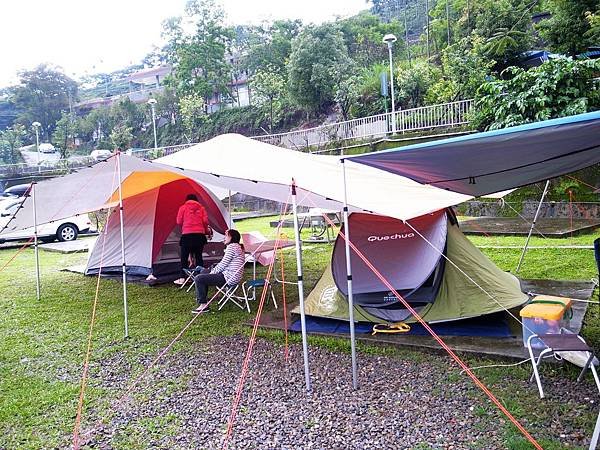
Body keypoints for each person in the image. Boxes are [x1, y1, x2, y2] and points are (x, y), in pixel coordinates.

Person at [192, 229, 245, 313]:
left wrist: (212, 272)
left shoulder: (232, 247)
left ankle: (203, 305)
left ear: (232, 237)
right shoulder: (237, 246)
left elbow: (223, 264)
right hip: (233, 276)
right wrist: (210, 271)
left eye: (227, 236)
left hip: (229, 278)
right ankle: (202, 297)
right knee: (204, 272)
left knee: (199, 278)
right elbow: (224, 264)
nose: (225, 238)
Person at [174, 194, 212, 285]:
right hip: (199, 236)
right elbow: (205, 221)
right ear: (196, 200)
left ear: (187, 200)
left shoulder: (183, 208)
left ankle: (182, 277)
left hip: (187, 235)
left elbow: (178, 221)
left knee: (184, 257)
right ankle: (200, 277)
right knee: (199, 257)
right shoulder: (201, 208)